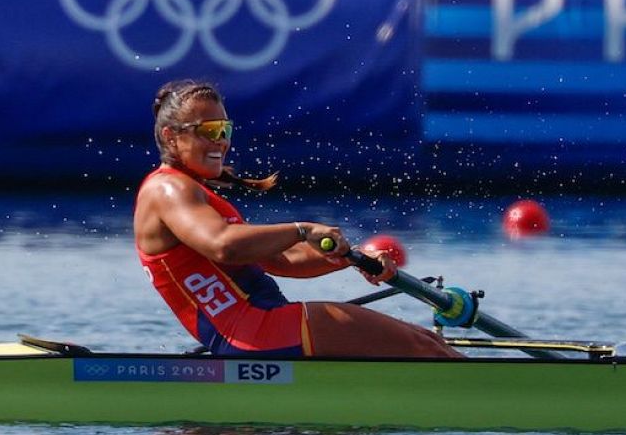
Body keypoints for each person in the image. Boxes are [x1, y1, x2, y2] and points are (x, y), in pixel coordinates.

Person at [133, 79, 460, 359]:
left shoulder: (195, 193)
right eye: (207, 131)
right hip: (258, 331)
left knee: (428, 342)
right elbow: (223, 247)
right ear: (171, 136)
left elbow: (282, 260)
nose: (220, 140)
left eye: (224, 129)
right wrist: (302, 230)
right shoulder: (168, 189)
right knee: (424, 346)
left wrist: (350, 257)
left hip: (262, 330)